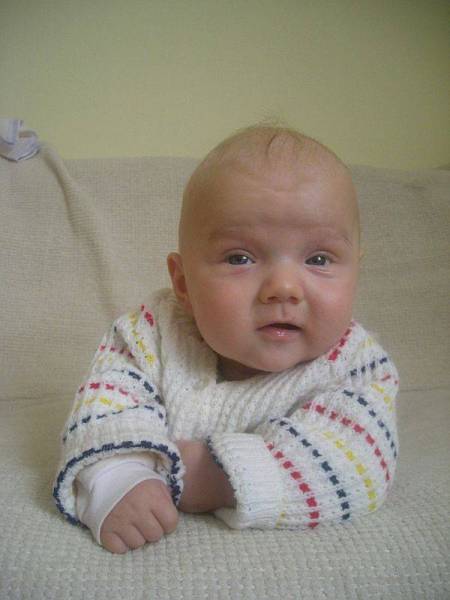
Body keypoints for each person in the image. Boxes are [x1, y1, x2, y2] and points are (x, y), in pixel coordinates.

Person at [53, 125, 399, 554]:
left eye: (318, 258)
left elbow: (360, 462)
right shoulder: (152, 333)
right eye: (240, 257)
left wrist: (212, 476)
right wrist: (117, 476)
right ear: (183, 283)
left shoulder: (357, 364)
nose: (284, 287)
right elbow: (104, 404)